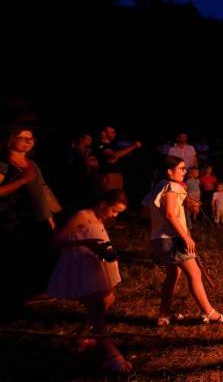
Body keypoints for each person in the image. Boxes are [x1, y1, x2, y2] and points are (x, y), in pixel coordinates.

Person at [47, 190, 133, 374]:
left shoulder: (99, 218)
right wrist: (84, 244)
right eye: (114, 211)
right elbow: (56, 241)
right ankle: (113, 356)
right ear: (103, 204)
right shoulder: (82, 216)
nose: (115, 215)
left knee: (108, 299)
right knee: (98, 310)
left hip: (96, 268)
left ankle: (84, 335)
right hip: (84, 270)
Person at [142, 155, 223, 326]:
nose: (185, 171)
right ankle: (209, 312)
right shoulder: (172, 186)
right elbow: (170, 214)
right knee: (195, 274)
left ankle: (164, 314)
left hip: (159, 239)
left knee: (173, 274)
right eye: (181, 168)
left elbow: (145, 209)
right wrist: (186, 236)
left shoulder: (158, 186)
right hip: (173, 239)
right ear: (169, 171)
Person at [0, 126, 58, 310]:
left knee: (42, 254)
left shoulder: (32, 163)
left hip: (38, 218)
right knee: (20, 256)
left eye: (30, 138)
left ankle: (40, 291)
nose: (27, 141)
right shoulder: (4, 163)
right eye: (22, 138)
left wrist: (49, 214)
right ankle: (19, 295)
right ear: (10, 140)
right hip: (15, 218)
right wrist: (23, 180)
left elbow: (42, 189)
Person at [94, 126, 141, 193]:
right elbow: (113, 155)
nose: (114, 134)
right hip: (108, 177)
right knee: (110, 197)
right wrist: (133, 146)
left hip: (117, 177)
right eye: (112, 132)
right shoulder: (100, 145)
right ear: (103, 133)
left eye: (115, 132)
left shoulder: (114, 146)